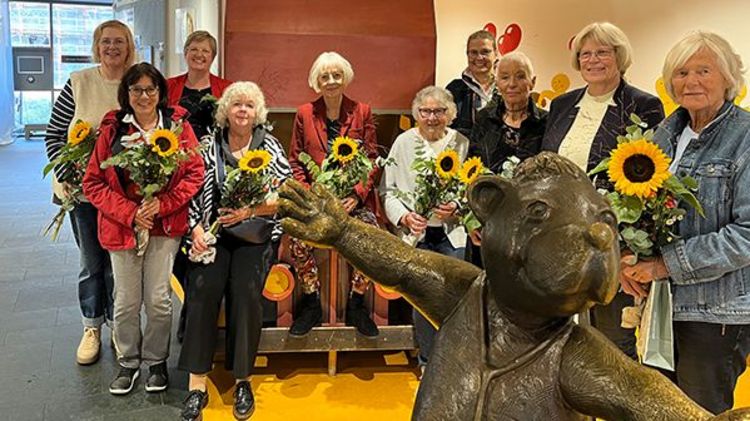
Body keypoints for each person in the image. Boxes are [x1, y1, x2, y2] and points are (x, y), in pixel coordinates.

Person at [620, 31, 750, 414]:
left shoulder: (745, 137)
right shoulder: (662, 135)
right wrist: (629, 256)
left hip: (716, 313)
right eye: (681, 72)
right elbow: (638, 211)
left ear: (729, 78)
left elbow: (747, 235)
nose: (691, 81)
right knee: (658, 408)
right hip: (660, 306)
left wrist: (664, 265)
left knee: (700, 411)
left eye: (703, 70)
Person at [542, 22, 665, 359]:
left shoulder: (644, 105)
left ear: (619, 56)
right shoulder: (561, 105)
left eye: (602, 52)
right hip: (560, 240)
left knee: (613, 339)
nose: (592, 60)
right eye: (585, 54)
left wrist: (628, 249)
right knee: (559, 335)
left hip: (614, 242)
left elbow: (649, 181)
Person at [82, 63, 204, 395]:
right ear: (127, 94)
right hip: (122, 228)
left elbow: (195, 173)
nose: (144, 96)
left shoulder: (177, 127)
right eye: (136, 90)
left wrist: (162, 204)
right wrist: (131, 212)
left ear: (161, 93)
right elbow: (93, 182)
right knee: (125, 300)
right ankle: (128, 362)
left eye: (151, 89)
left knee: (159, 299)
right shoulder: (112, 129)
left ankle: (156, 362)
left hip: (165, 227)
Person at [179, 82, 291, 421]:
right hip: (213, 235)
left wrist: (250, 211)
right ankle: (196, 385)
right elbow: (188, 191)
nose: (243, 111)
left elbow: (283, 198)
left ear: (258, 114)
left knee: (246, 295)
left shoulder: (270, 147)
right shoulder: (206, 145)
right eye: (237, 104)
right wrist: (196, 229)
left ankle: (243, 380)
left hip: (254, 236)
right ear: (225, 110)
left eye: (249, 105)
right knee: (201, 291)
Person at [44, 19, 135, 366]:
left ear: (128, 47)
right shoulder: (78, 83)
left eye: (119, 42)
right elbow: (54, 133)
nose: (112, 48)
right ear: (97, 47)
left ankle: (116, 323)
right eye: (106, 42)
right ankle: (91, 327)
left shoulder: (133, 84)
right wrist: (66, 168)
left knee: (119, 262)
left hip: (120, 194)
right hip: (81, 192)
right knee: (91, 262)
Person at [287, 51, 381, 337]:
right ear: (317, 80)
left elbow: (372, 159)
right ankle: (312, 300)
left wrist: (356, 194)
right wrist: (312, 198)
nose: (331, 81)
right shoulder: (304, 113)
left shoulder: (362, 111)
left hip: (353, 202)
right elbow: (295, 160)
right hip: (316, 202)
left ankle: (356, 302)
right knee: (296, 238)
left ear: (345, 78)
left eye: (336, 75)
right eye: (325, 76)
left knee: (371, 235)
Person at [381, 85, 469, 372]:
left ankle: (452, 364)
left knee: (454, 299)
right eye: (426, 111)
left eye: (439, 111)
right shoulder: (403, 144)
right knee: (423, 299)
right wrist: (405, 218)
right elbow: (388, 191)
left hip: (450, 233)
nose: (432, 117)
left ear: (450, 114)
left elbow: (471, 186)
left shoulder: (461, 143)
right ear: (416, 113)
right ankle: (428, 363)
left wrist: (456, 205)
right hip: (416, 236)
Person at [166, 30, 232, 342]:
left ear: (213, 56)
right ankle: (189, 309)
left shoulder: (226, 89)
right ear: (185, 52)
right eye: (194, 49)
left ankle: (196, 317)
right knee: (181, 248)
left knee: (208, 244)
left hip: (214, 179)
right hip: (177, 176)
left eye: (205, 50)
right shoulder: (169, 88)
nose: (199, 55)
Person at [465, 51, 547, 267]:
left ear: (533, 81)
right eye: (504, 77)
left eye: (520, 76)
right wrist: (471, 218)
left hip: (533, 228)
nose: (512, 84)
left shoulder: (547, 122)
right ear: (497, 83)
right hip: (489, 223)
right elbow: (471, 170)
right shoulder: (484, 119)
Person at [446, 30, 498, 137]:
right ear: (467, 55)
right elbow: (445, 128)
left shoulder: (507, 87)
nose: (479, 57)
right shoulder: (454, 89)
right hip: (463, 151)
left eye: (485, 52)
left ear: (496, 53)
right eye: (474, 52)